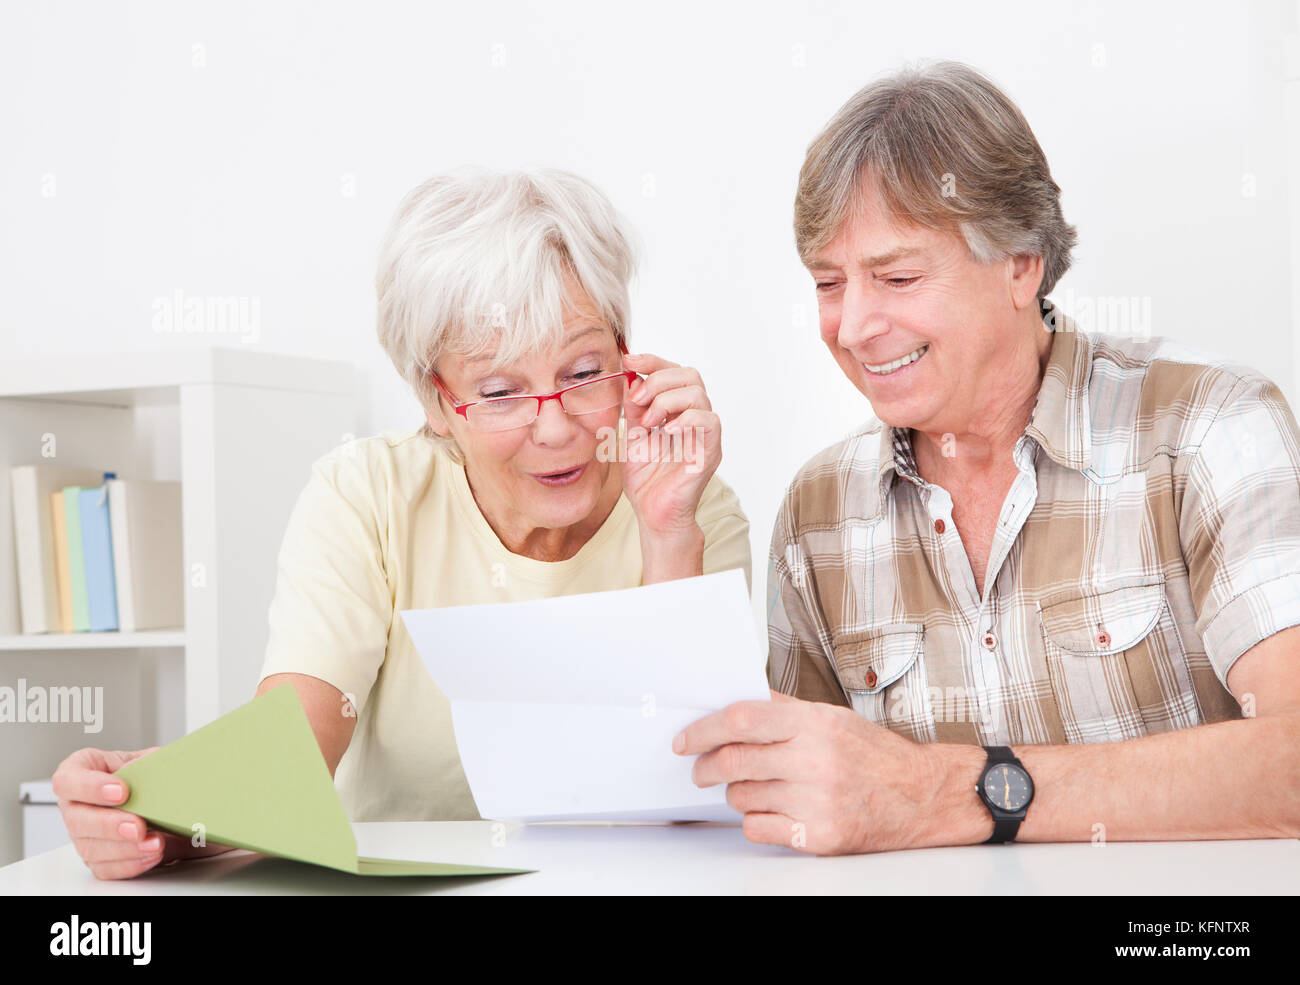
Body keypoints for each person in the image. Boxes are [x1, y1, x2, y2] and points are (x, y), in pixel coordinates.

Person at [54, 167, 751, 879]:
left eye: (582, 372)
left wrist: (669, 533)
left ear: (629, 358)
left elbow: (698, 794)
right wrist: (157, 815)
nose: (554, 425)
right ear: (437, 402)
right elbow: (289, 755)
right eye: (501, 391)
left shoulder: (692, 505)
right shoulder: (365, 496)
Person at [675, 60, 1300, 854]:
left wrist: (962, 792)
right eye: (829, 283)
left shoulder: (1211, 427)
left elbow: (1294, 762)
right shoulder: (819, 510)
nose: (854, 324)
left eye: (896, 275)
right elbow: (780, 812)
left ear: (1020, 264)